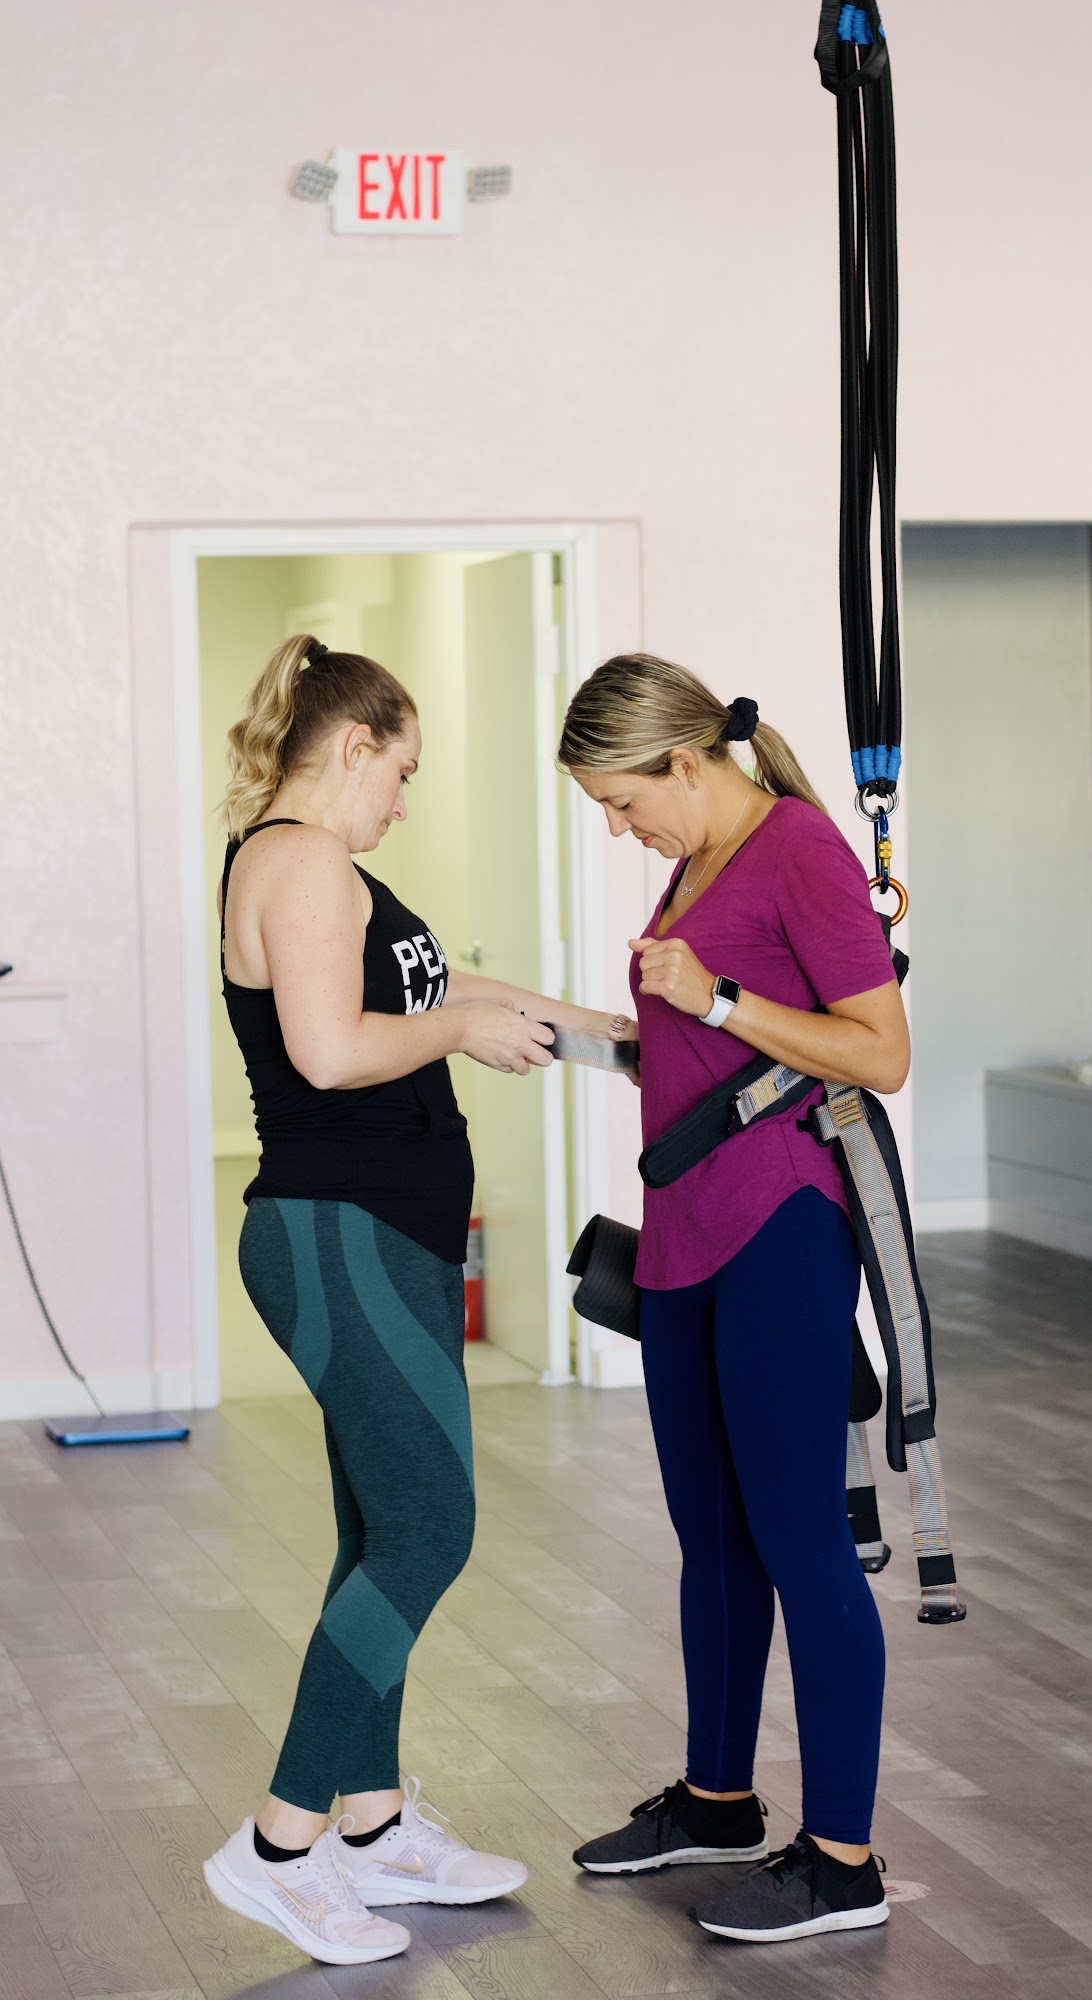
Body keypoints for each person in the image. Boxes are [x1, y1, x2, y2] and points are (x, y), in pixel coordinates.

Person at [203, 634, 629, 1967]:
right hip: (340, 1234)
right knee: (427, 1528)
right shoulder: (300, 863)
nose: (404, 797)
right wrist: (456, 1035)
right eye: (402, 769)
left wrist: (616, 1039)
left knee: (380, 1530)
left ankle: (375, 1826)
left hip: (379, 1236)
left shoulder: (326, 872)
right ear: (354, 746)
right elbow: (333, 1052)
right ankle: (280, 1848)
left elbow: (449, 990)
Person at [558, 653, 909, 1945]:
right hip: (683, 1235)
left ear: (684, 762)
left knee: (800, 1537)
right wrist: (587, 1030)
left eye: (623, 801)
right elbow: (702, 1044)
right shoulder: (697, 861)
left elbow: (880, 1051)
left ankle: (843, 1862)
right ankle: (717, 1801)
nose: (619, 828)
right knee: (711, 1537)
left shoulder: (800, 848)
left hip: (779, 1226)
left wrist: (714, 995)